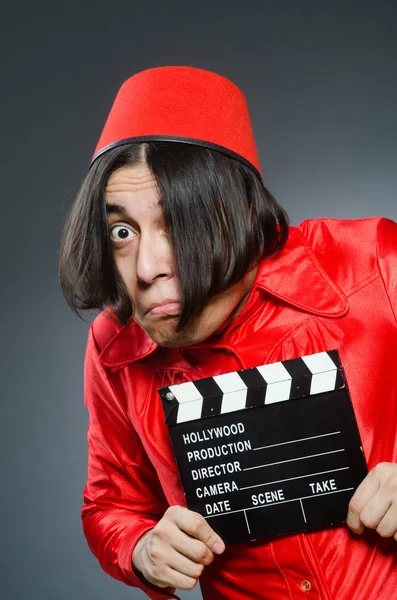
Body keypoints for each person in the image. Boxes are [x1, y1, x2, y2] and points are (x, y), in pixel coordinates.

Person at [59, 66, 397, 600]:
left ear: (238, 212)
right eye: (122, 231)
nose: (145, 267)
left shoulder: (374, 265)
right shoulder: (115, 347)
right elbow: (112, 506)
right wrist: (143, 549)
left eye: (176, 224)